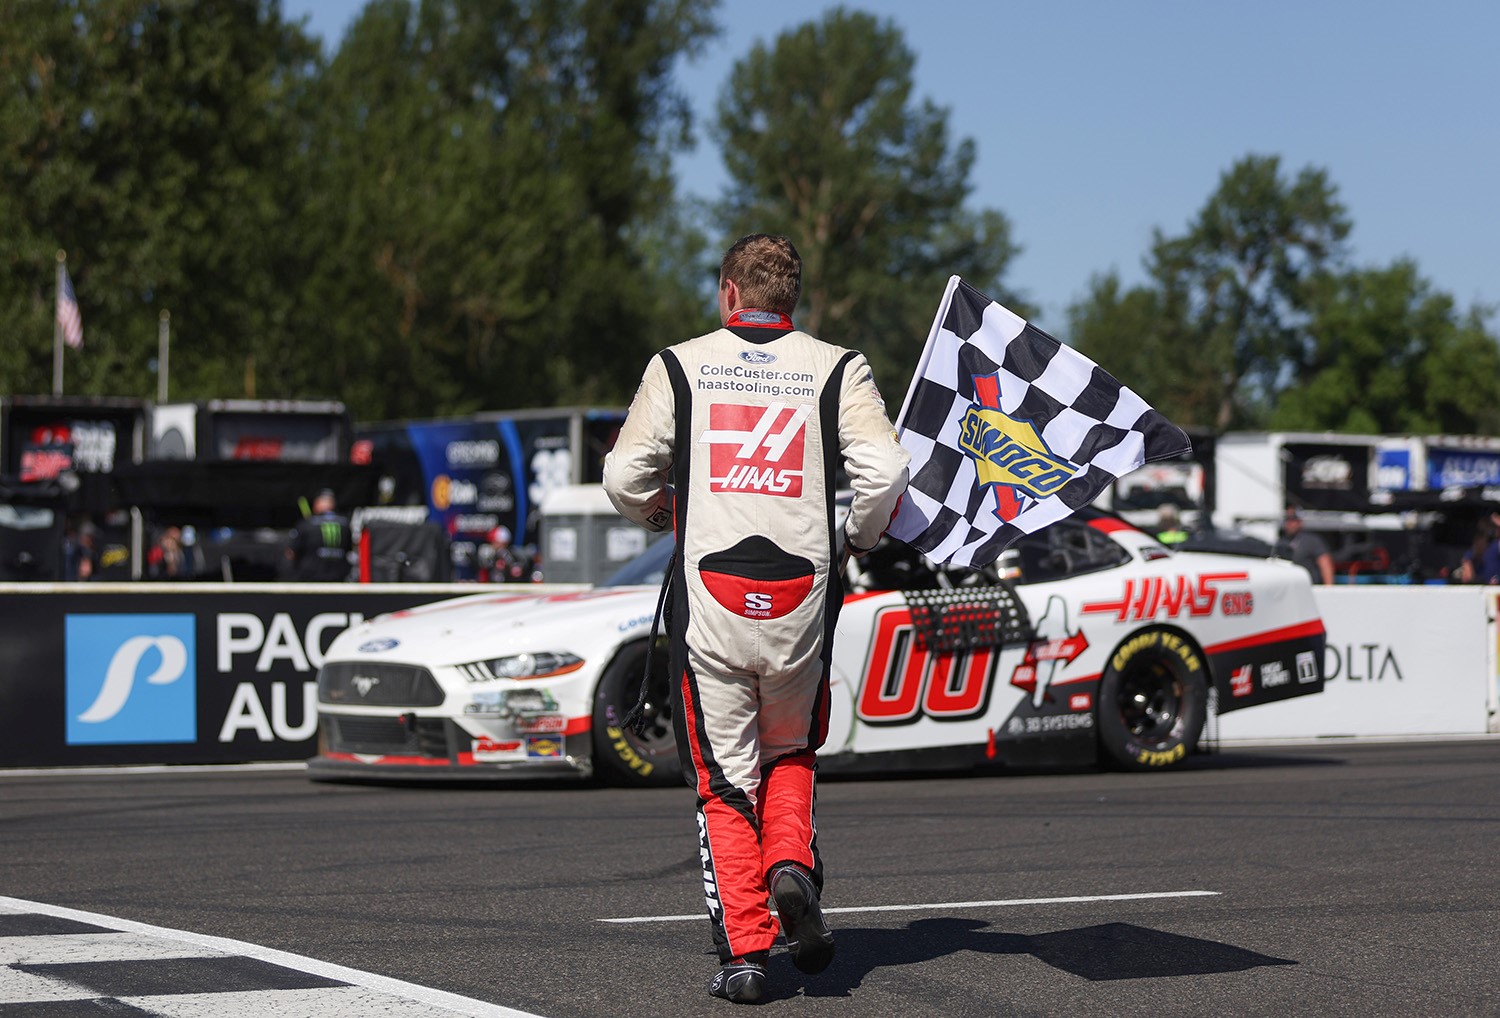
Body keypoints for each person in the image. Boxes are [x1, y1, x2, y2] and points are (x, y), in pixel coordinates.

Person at [602, 234, 909, 1004]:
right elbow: (887, 472)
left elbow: (621, 476)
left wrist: (658, 510)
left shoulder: (679, 364)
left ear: (729, 293)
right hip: (803, 594)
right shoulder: (839, 365)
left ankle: (746, 954)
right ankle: (791, 870)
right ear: (790, 301)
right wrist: (858, 536)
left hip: (713, 601)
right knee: (792, 749)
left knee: (723, 780)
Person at [287, 489, 352, 581]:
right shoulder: (345, 523)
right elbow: (350, 550)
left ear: (317, 503)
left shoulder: (306, 524)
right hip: (339, 578)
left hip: (311, 578)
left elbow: (291, 553)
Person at [1274, 506, 1334, 585]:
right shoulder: (1281, 542)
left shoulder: (1311, 540)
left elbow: (1325, 564)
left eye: (1293, 520)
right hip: (1289, 587)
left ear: (1300, 522)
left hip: (1310, 587)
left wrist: (1328, 588)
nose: (1290, 523)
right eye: (1287, 520)